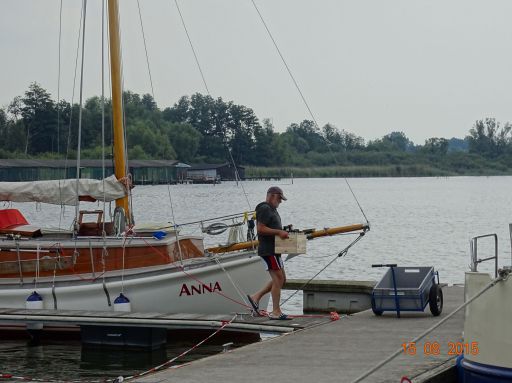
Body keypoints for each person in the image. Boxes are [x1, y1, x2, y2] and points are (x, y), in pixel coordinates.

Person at [247, 186, 290, 320]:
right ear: (271, 195)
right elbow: (260, 229)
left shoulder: (273, 210)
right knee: (278, 279)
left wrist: (284, 231)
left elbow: (272, 227)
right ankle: (276, 311)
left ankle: (256, 297)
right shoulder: (264, 208)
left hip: (275, 251)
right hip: (269, 251)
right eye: (279, 198)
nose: (280, 202)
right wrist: (278, 232)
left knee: (282, 279)